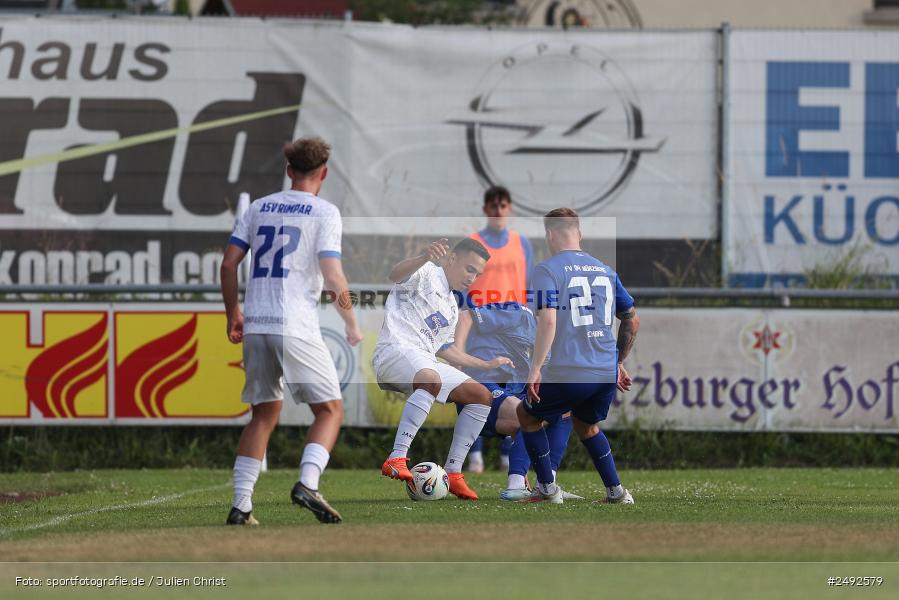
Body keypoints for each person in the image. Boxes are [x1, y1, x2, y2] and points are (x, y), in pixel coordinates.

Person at [220, 136, 362, 525]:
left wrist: (233, 312)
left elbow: (229, 264)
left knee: (262, 415)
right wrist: (350, 320)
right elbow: (333, 274)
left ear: (289, 171)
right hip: (294, 324)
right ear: (325, 173)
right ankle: (308, 483)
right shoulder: (325, 212)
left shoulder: (259, 208)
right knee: (330, 410)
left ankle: (241, 505)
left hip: (256, 325)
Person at [518, 207, 640, 504]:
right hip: (603, 373)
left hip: (570, 369)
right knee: (587, 426)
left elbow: (548, 320)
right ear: (579, 233)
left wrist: (535, 369)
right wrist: (618, 361)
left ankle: (546, 489)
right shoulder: (605, 270)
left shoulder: (546, 270)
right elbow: (632, 320)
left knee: (527, 416)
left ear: (549, 234)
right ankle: (616, 492)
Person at [374, 237, 502, 500]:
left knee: (480, 396)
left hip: (424, 360)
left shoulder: (452, 305)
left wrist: (484, 364)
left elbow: (444, 348)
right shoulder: (425, 271)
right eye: (469, 269)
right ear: (452, 258)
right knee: (430, 379)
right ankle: (397, 457)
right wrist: (423, 256)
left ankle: (453, 473)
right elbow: (394, 273)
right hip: (394, 351)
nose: (472, 278)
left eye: (477, 274)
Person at [447, 302, 580, 501]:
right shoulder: (519, 313)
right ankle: (516, 486)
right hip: (485, 385)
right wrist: (457, 362)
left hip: (512, 394)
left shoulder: (549, 345)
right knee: (527, 417)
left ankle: (547, 485)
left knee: (563, 412)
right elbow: (466, 316)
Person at [464, 186, 534, 473]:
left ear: (510, 209)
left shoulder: (521, 243)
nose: (498, 210)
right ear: (485, 210)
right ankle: (475, 456)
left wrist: (528, 319)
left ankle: (508, 455)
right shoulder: (474, 241)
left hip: (512, 329)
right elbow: (463, 280)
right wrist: (469, 314)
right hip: (480, 326)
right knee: (479, 387)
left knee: (513, 387)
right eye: (492, 205)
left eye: (503, 205)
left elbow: (527, 286)